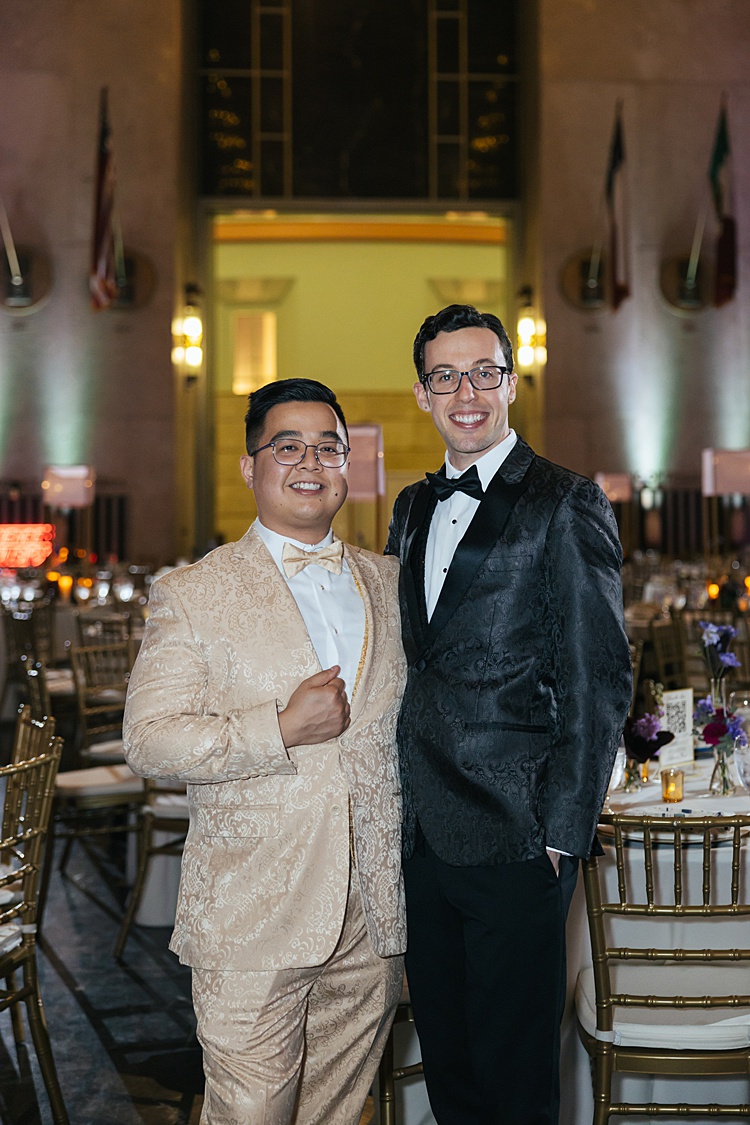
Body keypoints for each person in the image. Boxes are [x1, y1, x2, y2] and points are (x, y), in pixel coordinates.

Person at [124, 378, 407, 1125]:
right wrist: (277, 727)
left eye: (328, 446)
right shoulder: (194, 591)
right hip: (251, 916)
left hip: (372, 919)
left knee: (340, 1114)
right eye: (287, 445)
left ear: (348, 466)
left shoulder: (391, 583)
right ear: (251, 467)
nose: (309, 461)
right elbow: (148, 738)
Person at [385, 304, 632, 1125]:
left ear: (511, 383)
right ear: (422, 393)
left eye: (484, 372)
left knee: (517, 1079)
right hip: (423, 836)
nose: (467, 391)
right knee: (450, 1067)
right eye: (446, 376)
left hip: (520, 839)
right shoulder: (413, 507)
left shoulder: (566, 502)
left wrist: (562, 829)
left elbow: (600, 677)